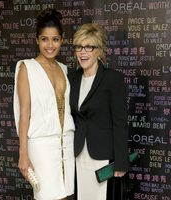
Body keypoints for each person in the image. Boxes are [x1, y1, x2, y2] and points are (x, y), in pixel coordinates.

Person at [13, 8, 75, 200]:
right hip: (41, 145)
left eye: (55, 39)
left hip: (66, 144)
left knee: (66, 196)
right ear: (37, 40)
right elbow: (24, 112)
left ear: (62, 40)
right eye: (45, 39)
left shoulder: (64, 69)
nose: (50, 45)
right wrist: (23, 154)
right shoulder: (27, 67)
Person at [69, 23, 129, 200]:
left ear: (99, 50)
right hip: (79, 155)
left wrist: (121, 162)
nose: (83, 52)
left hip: (103, 157)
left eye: (89, 46)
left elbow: (120, 123)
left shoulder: (113, 79)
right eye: (79, 47)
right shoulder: (71, 78)